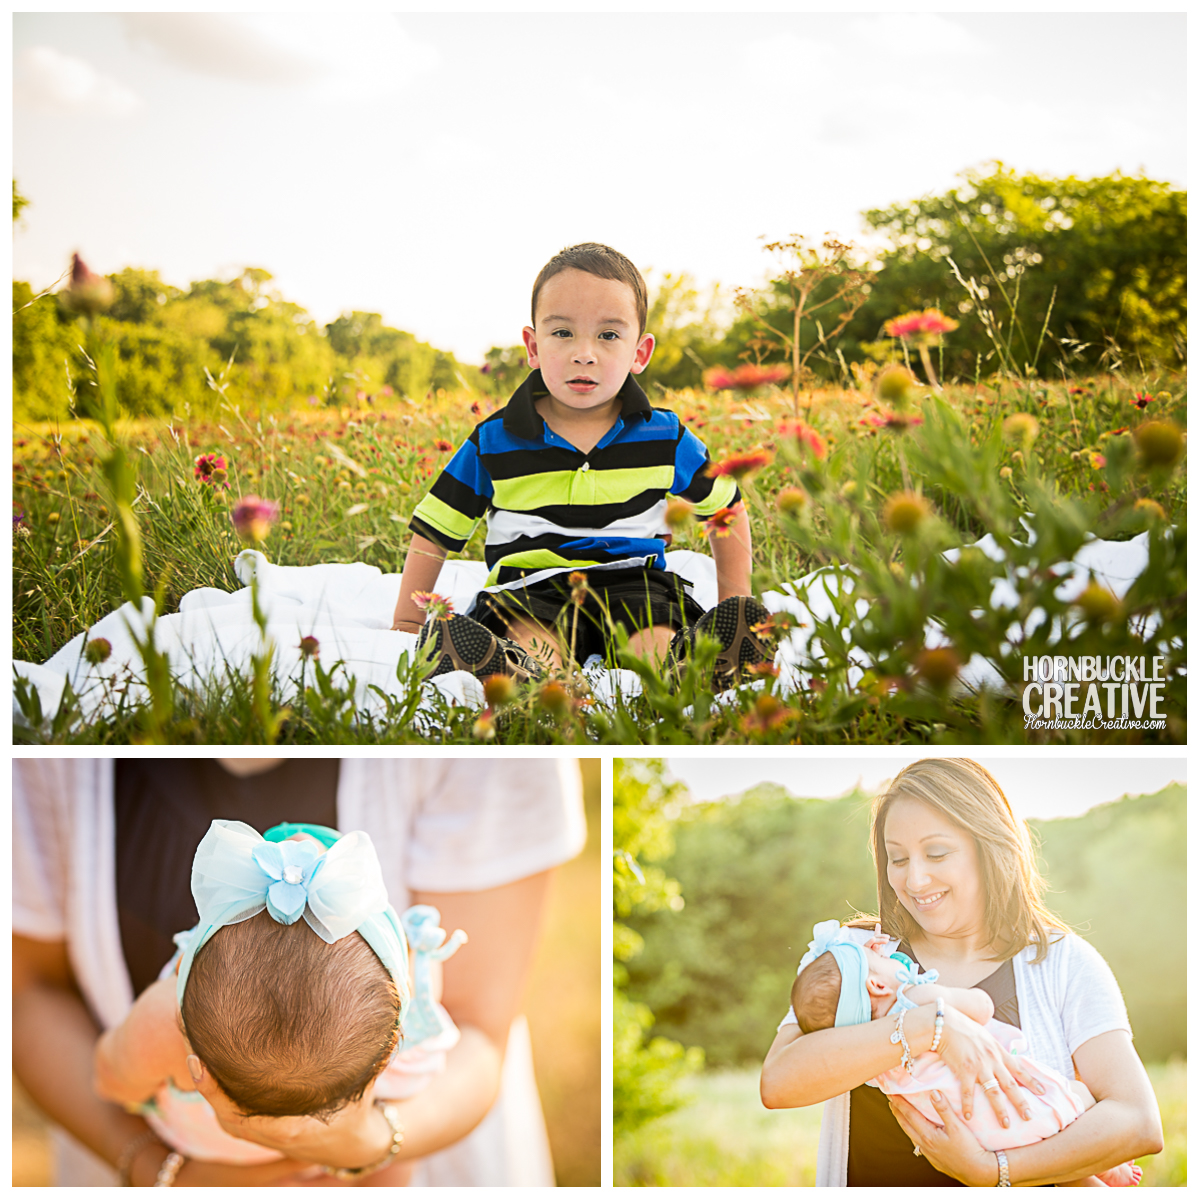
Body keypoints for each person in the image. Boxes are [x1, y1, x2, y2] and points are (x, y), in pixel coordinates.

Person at [13, 757, 587, 1186]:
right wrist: (367, 1142)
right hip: (344, 1159)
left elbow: (110, 1075)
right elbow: (26, 991)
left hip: (191, 1140)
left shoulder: (167, 1021)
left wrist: (141, 1106)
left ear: (188, 963)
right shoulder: (405, 1059)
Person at [760, 758, 1163, 1187]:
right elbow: (780, 1083)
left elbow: (1137, 1121)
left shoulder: (1064, 964)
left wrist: (992, 1172)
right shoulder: (853, 957)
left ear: (988, 847)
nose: (915, 880)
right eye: (897, 859)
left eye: (936, 853)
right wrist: (930, 1027)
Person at [391, 241, 774, 689]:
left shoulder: (665, 437)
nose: (584, 353)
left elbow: (725, 509)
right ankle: (531, 684)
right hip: (531, 587)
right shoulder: (494, 442)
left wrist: (734, 601)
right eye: (563, 333)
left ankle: (696, 667)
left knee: (656, 639)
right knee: (532, 641)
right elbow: (436, 529)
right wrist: (407, 621)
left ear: (640, 353)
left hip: (635, 584)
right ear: (533, 347)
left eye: (608, 335)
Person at [93, 821, 467, 1185]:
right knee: (395, 1165)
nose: (302, 841)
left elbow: (112, 1081)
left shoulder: (165, 1025)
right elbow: (429, 1062)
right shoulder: (404, 1042)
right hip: (339, 1172)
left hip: (201, 1164)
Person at [788, 920, 1141, 1186]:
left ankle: (1095, 1176)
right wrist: (935, 1002)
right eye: (875, 957)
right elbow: (982, 1005)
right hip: (1012, 1103)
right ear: (878, 984)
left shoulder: (872, 1061)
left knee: (1056, 1160)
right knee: (1078, 1096)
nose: (884, 951)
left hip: (977, 1132)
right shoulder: (918, 1001)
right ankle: (1106, 1168)